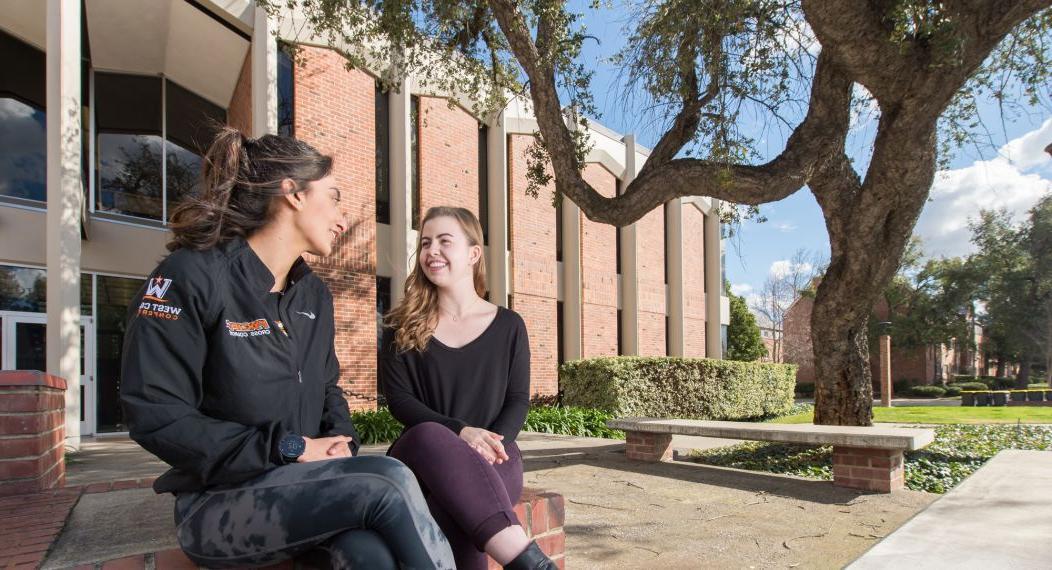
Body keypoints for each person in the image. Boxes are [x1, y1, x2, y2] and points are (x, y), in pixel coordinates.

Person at [120, 127, 455, 569]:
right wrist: (289, 448)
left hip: (304, 486)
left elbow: (328, 390)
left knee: (367, 554)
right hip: (217, 504)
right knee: (389, 479)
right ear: (292, 193)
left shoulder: (312, 295)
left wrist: (341, 444)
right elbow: (155, 414)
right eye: (333, 196)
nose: (341, 217)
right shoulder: (192, 276)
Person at [381, 206, 557, 570]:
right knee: (429, 434)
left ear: (473, 254)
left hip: (496, 453)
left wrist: (493, 443)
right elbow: (400, 402)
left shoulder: (509, 325)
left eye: (445, 241)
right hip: (421, 455)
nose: (432, 251)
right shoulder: (400, 326)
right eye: (426, 242)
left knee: (466, 512)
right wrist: (461, 433)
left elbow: (517, 400)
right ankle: (529, 562)